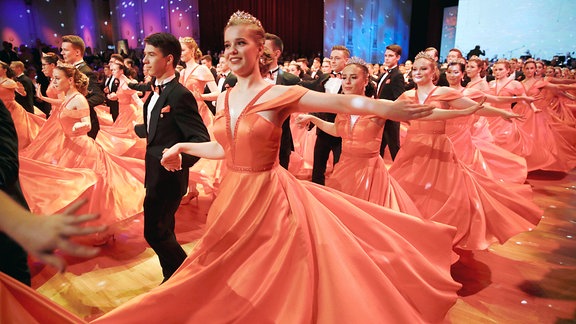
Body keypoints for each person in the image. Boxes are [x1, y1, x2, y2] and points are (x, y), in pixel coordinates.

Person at [95, 12, 460, 323]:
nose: (233, 51)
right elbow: (222, 148)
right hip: (232, 197)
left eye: (241, 43)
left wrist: (389, 109)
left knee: (272, 272)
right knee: (229, 271)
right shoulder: (225, 96)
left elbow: (344, 102)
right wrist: (180, 145)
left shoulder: (278, 94)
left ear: (260, 50)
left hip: (269, 198)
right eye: (227, 45)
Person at [388, 52, 542, 251]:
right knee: (408, 187)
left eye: (423, 68)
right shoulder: (407, 95)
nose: (418, 72)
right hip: (413, 148)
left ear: (433, 72)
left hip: (438, 147)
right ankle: (411, 226)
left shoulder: (443, 92)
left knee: (439, 191)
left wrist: (502, 112)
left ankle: (436, 230)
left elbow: (474, 108)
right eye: (415, 69)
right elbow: (389, 111)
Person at [295, 59, 419, 214]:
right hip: (345, 166)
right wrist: (313, 119)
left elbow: (413, 113)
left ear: (366, 80)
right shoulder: (343, 107)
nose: (347, 82)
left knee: (366, 214)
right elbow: (337, 130)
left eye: (353, 77)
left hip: (369, 171)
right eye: (344, 77)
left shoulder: (379, 106)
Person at [135, 32, 210, 282]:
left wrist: (180, 159)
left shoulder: (180, 94)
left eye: (150, 55)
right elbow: (156, 128)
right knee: (164, 231)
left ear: (168, 59)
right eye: (144, 54)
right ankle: (172, 280)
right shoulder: (154, 91)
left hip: (169, 178)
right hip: (154, 176)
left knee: (155, 234)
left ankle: (190, 278)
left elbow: (200, 139)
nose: (144, 60)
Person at [305, 45, 350, 185]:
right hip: (323, 129)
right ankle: (316, 199)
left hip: (342, 131)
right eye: (331, 58)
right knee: (318, 168)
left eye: (337, 58)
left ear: (346, 60)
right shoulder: (324, 78)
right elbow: (317, 100)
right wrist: (312, 118)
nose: (333, 61)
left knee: (341, 170)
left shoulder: (351, 80)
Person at [264, 32, 300, 170]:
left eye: (265, 49)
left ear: (276, 53)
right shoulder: (248, 79)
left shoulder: (291, 80)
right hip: (253, 141)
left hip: (281, 140)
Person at [60, 35, 105, 139]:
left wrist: (77, 107)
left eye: (65, 50)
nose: (62, 53)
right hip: (73, 123)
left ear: (77, 52)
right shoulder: (71, 70)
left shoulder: (85, 72)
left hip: (85, 125)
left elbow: (99, 96)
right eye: (62, 50)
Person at [375, 44, 405, 160]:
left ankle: (400, 173)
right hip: (380, 116)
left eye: (390, 56)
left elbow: (400, 97)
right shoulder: (383, 74)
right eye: (386, 55)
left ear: (397, 58)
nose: (387, 58)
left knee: (394, 148)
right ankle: (378, 173)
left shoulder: (397, 75)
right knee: (379, 147)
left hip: (390, 117)